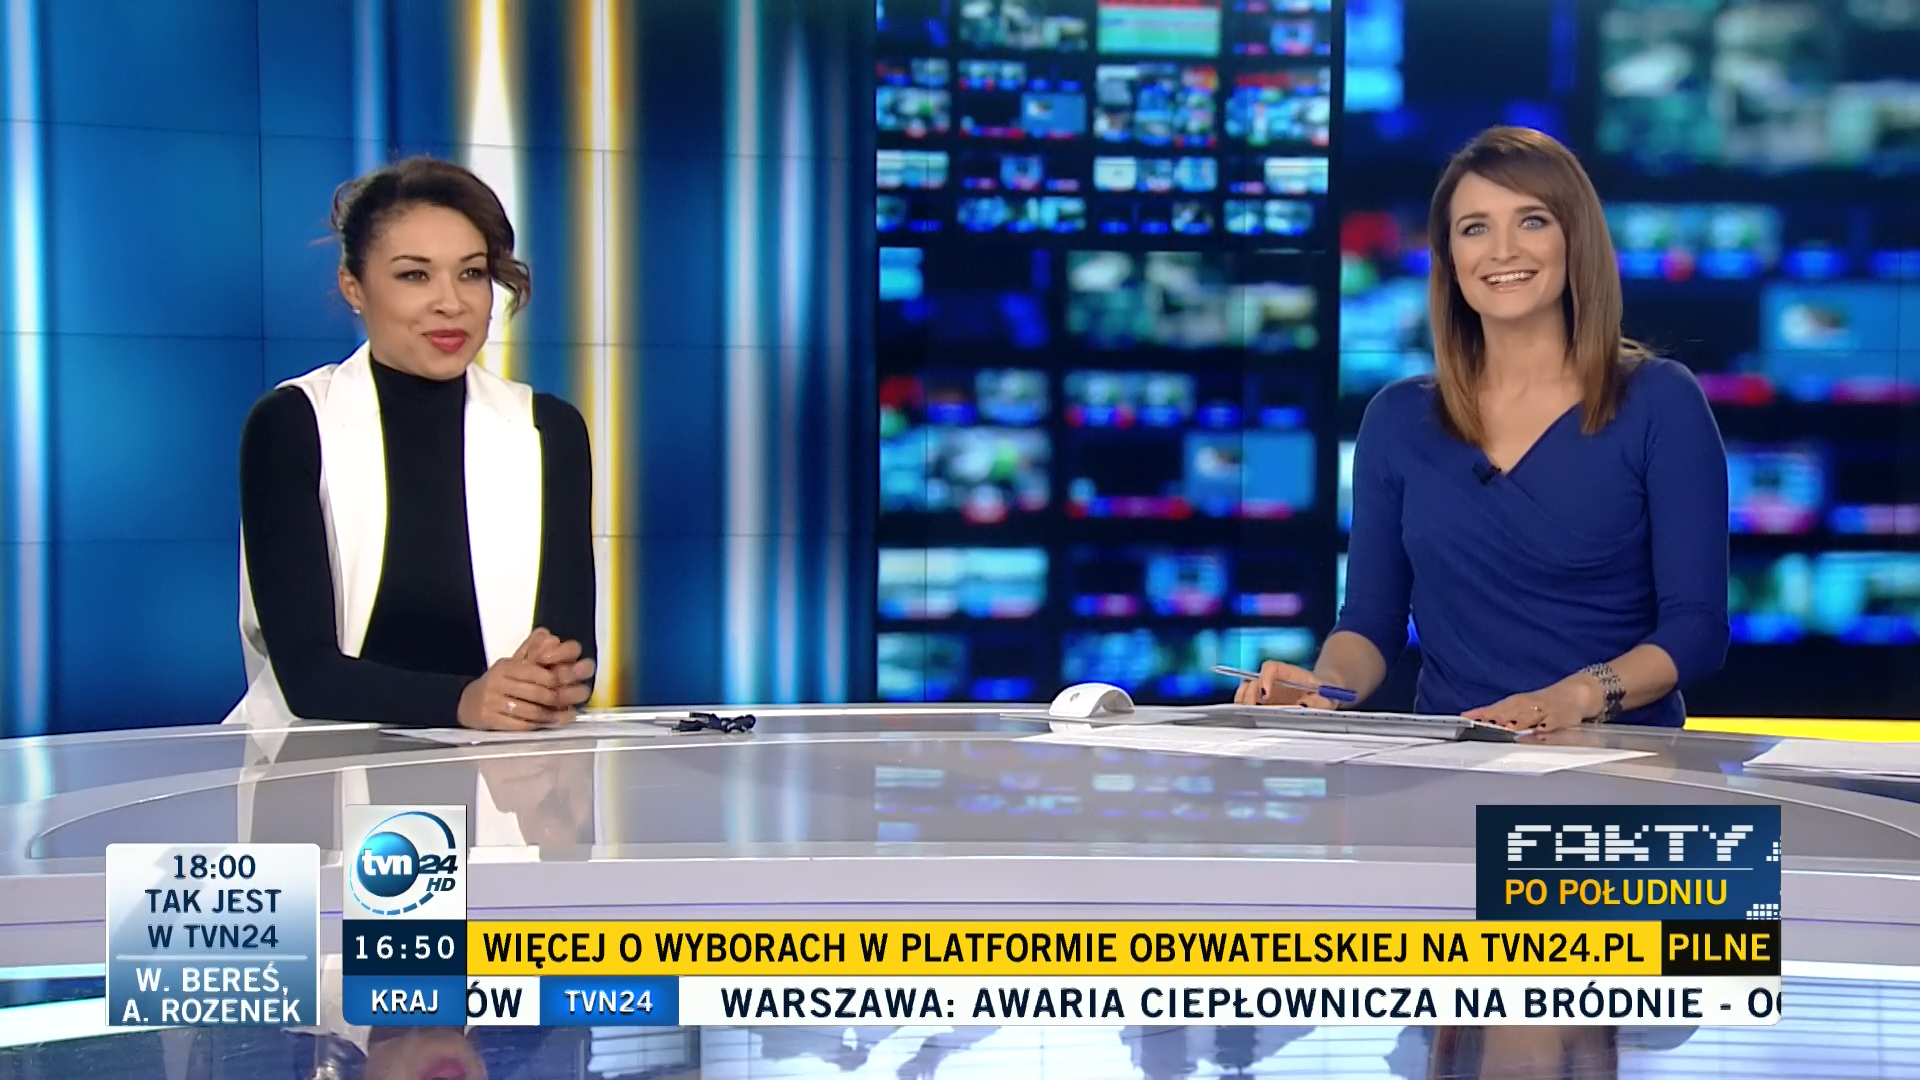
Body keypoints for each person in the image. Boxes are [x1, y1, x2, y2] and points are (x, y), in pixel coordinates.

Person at [1236, 127, 1727, 730]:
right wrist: (1323, 686)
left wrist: (1575, 698)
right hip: (1452, 760)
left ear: (1575, 240)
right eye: (1475, 229)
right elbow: (1370, 623)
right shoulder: (1397, 420)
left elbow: (1696, 628)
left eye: (1532, 221)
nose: (1503, 250)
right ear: (1450, 258)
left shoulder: (1660, 401)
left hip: (1620, 764)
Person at [226, 156, 596, 731]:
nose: (451, 302)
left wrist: (554, 678)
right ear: (354, 286)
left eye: (471, 273)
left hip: (506, 764)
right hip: (315, 765)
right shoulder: (294, 423)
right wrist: (462, 701)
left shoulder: (548, 430)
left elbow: (575, 655)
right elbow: (307, 675)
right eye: (414, 276)